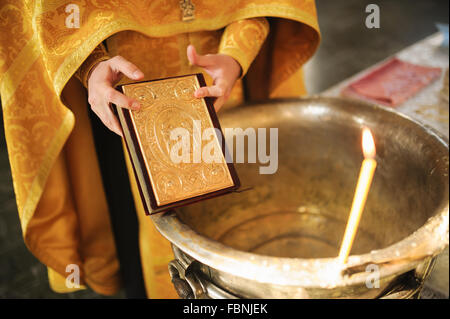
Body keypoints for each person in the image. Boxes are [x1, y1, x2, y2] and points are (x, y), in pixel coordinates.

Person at [0, 0, 320, 298]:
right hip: (118, 100)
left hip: (224, 83)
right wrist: (90, 65)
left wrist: (238, 52)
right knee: (143, 245)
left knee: (244, 229)